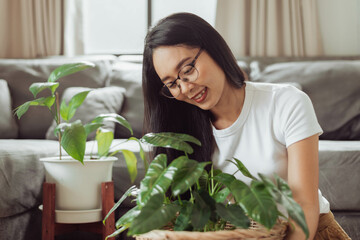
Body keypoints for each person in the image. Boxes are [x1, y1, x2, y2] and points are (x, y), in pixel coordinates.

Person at [142, 12, 350, 240]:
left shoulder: (286, 102)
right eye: (172, 83)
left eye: (188, 70)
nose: (185, 88)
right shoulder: (183, 134)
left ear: (213, 48)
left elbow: (302, 203)